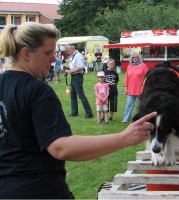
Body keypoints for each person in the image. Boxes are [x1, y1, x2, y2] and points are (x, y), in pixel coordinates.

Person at [0, 22, 157, 199]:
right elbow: (60, 148)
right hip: (39, 190)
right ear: (26, 53)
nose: (53, 60)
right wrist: (123, 138)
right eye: (47, 53)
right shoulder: (37, 91)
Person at [65, 44, 93, 118]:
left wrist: (70, 71)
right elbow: (74, 66)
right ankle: (74, 112)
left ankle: (89, 113)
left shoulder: (78, 55)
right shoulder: (74, 56)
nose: (67, 52)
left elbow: (81, 67)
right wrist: (69, 68)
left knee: (81, 95)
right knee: (72, 95)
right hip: (74, 76)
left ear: (72, 48)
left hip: (77, 77)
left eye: (68, 51)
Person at [122, 52, 148, 123]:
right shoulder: (129, 66)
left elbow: (147, 77)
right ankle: (126, 119)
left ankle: (140, 119)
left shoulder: (143, 66)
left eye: (136, 57)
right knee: (128, 105)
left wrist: (146, 87)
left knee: (140, 106)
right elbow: (127, 78)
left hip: (141, 89)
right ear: (131, 58)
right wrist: (126, 87)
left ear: (139, 58)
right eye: (133, 57)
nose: (135, 58)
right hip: (131, 89)